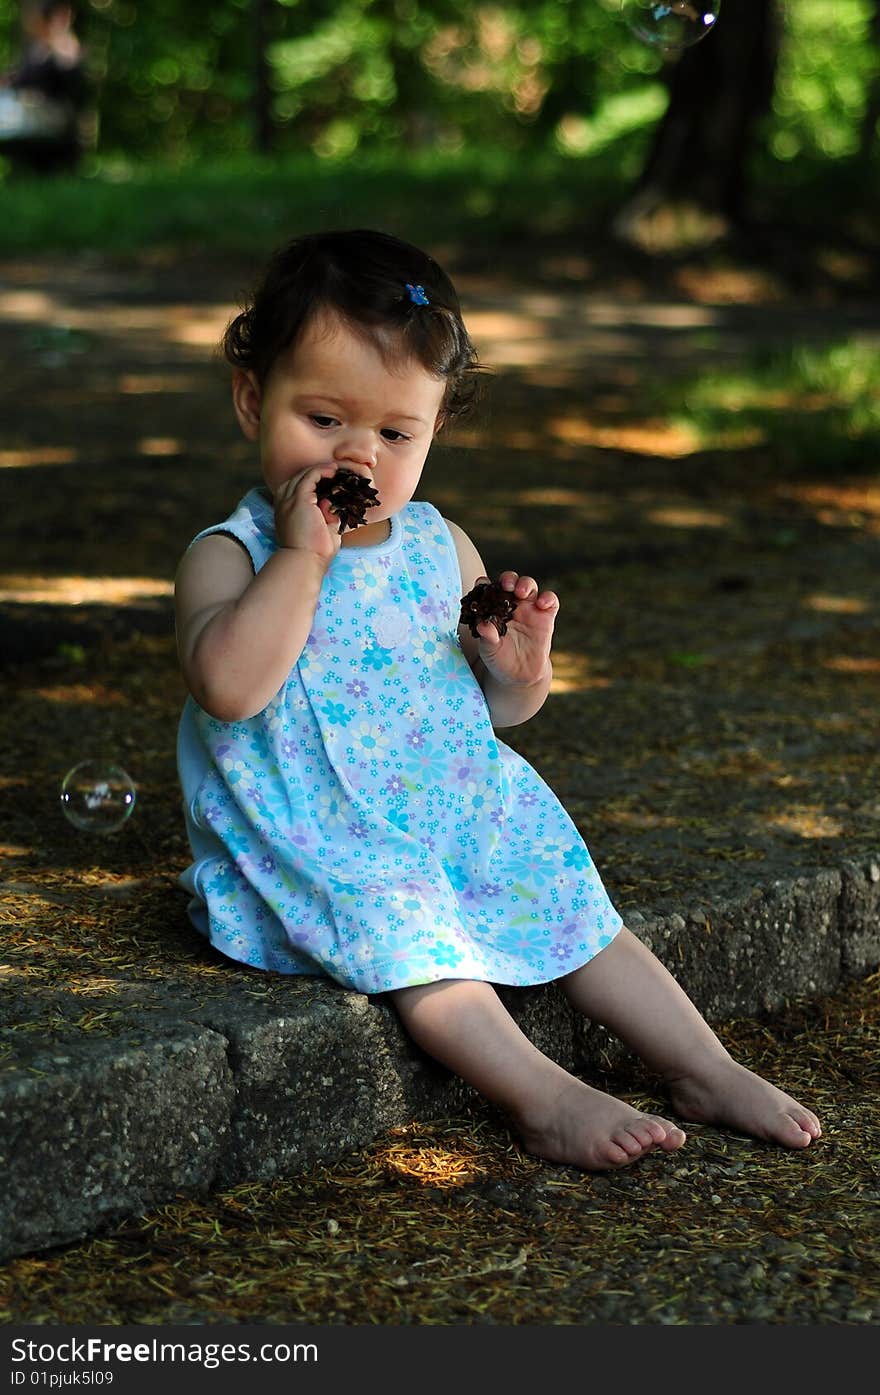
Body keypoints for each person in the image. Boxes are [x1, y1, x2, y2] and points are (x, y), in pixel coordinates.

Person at [174, 228, 821, 1170]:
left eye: (395, 434)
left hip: (448, 804)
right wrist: (302, 560)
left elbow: (493, 712)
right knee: (415, 935)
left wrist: (520, 673)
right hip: (322, 836)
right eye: (323, 421)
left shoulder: (443, 547)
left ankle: (702, 1063)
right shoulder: (229, 555)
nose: (358, 458)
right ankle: (541, 1094)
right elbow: (231, 688)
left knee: (580, 907)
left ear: (434, 431)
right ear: (250, 401)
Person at [0, 1, 85, 173]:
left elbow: (72, 88)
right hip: (28, 117)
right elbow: (18, 80)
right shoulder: (37, 49)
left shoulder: (67, 48)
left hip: (52, 120)